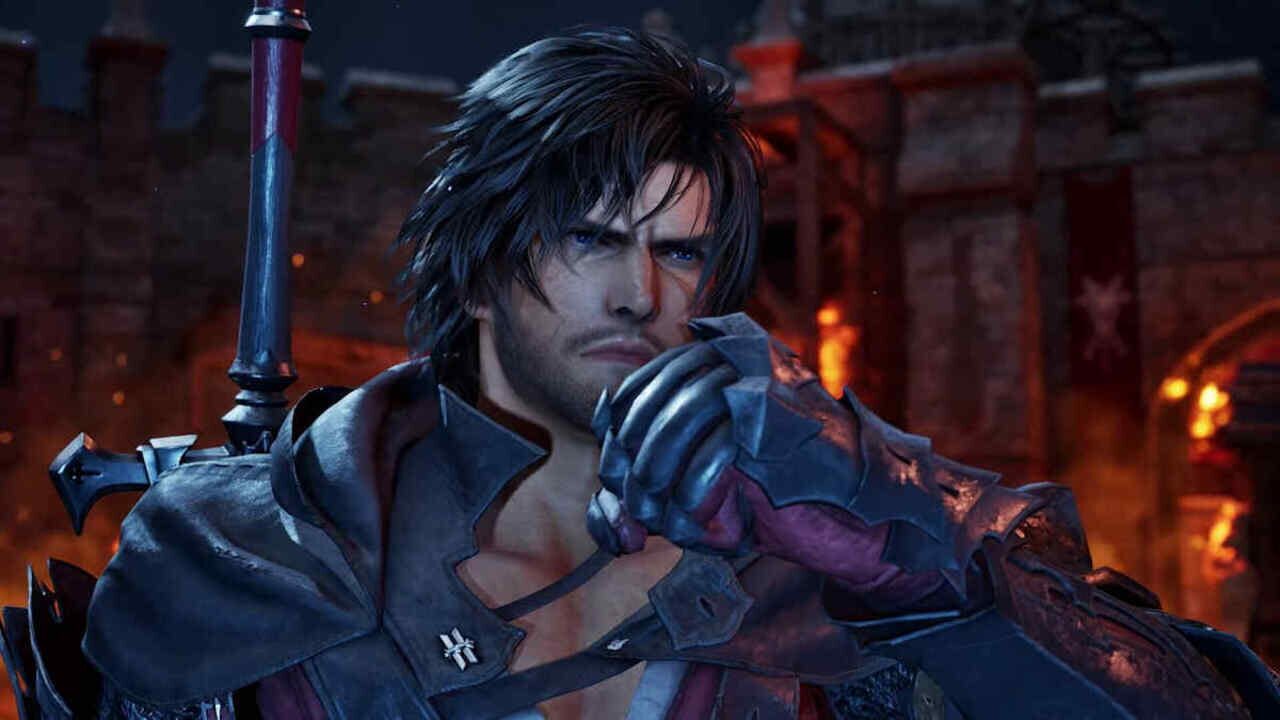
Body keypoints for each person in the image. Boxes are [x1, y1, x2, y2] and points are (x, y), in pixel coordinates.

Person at [5, 28, 1277, 720]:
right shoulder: (242, 555)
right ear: (483, 259)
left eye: (677, 252)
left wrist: (914, 564)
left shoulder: (819, 558)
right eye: (590, 241)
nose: (641, 294)